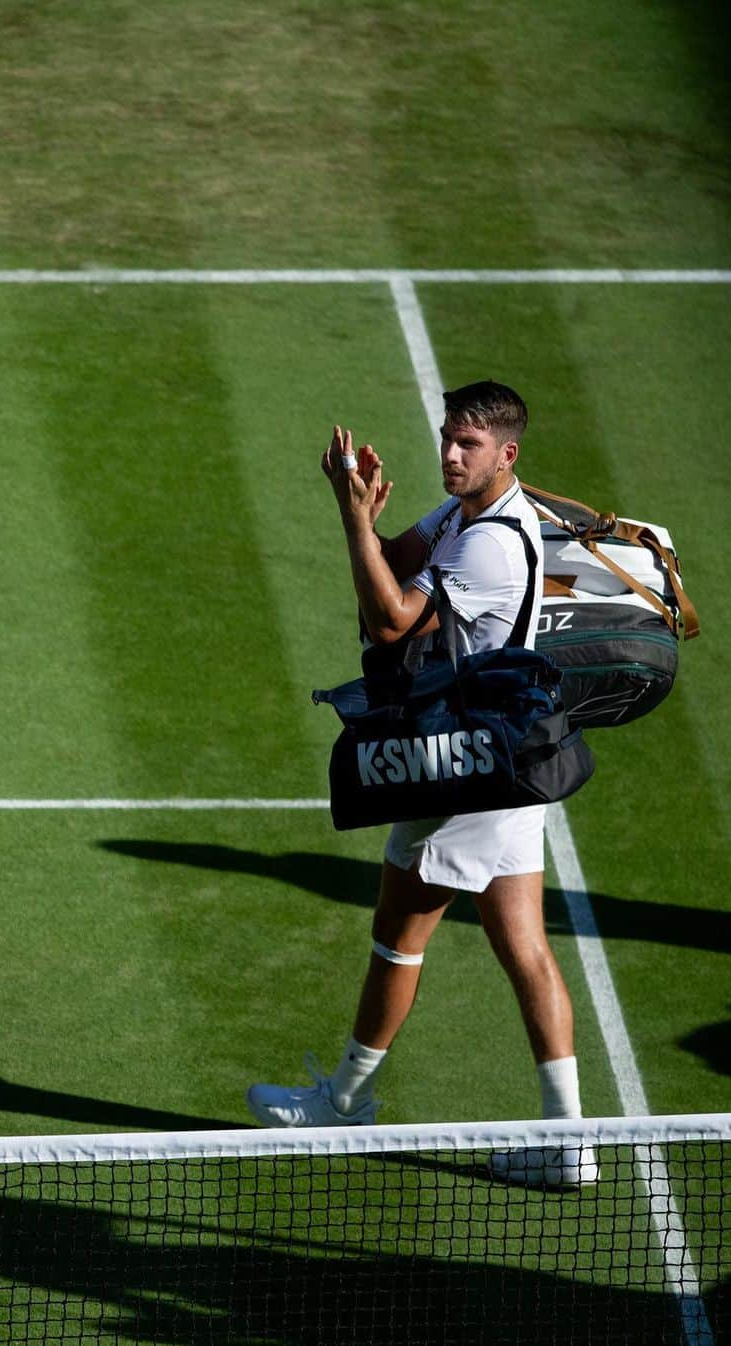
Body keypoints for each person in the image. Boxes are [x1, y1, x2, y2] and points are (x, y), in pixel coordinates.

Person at [247, 381, 597, 1188]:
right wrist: (362, 512)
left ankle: (344, 1103)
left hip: (459, 772)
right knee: (526, 948)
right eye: (446, 437)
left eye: (467, 444)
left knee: (396, 939)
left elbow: (387, 619)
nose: (448, 453)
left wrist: (350, 522)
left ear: (507, 455)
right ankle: (568, 1140)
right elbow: (390, 562)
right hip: (506, 763)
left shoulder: (490, 545)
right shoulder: (460, 517)